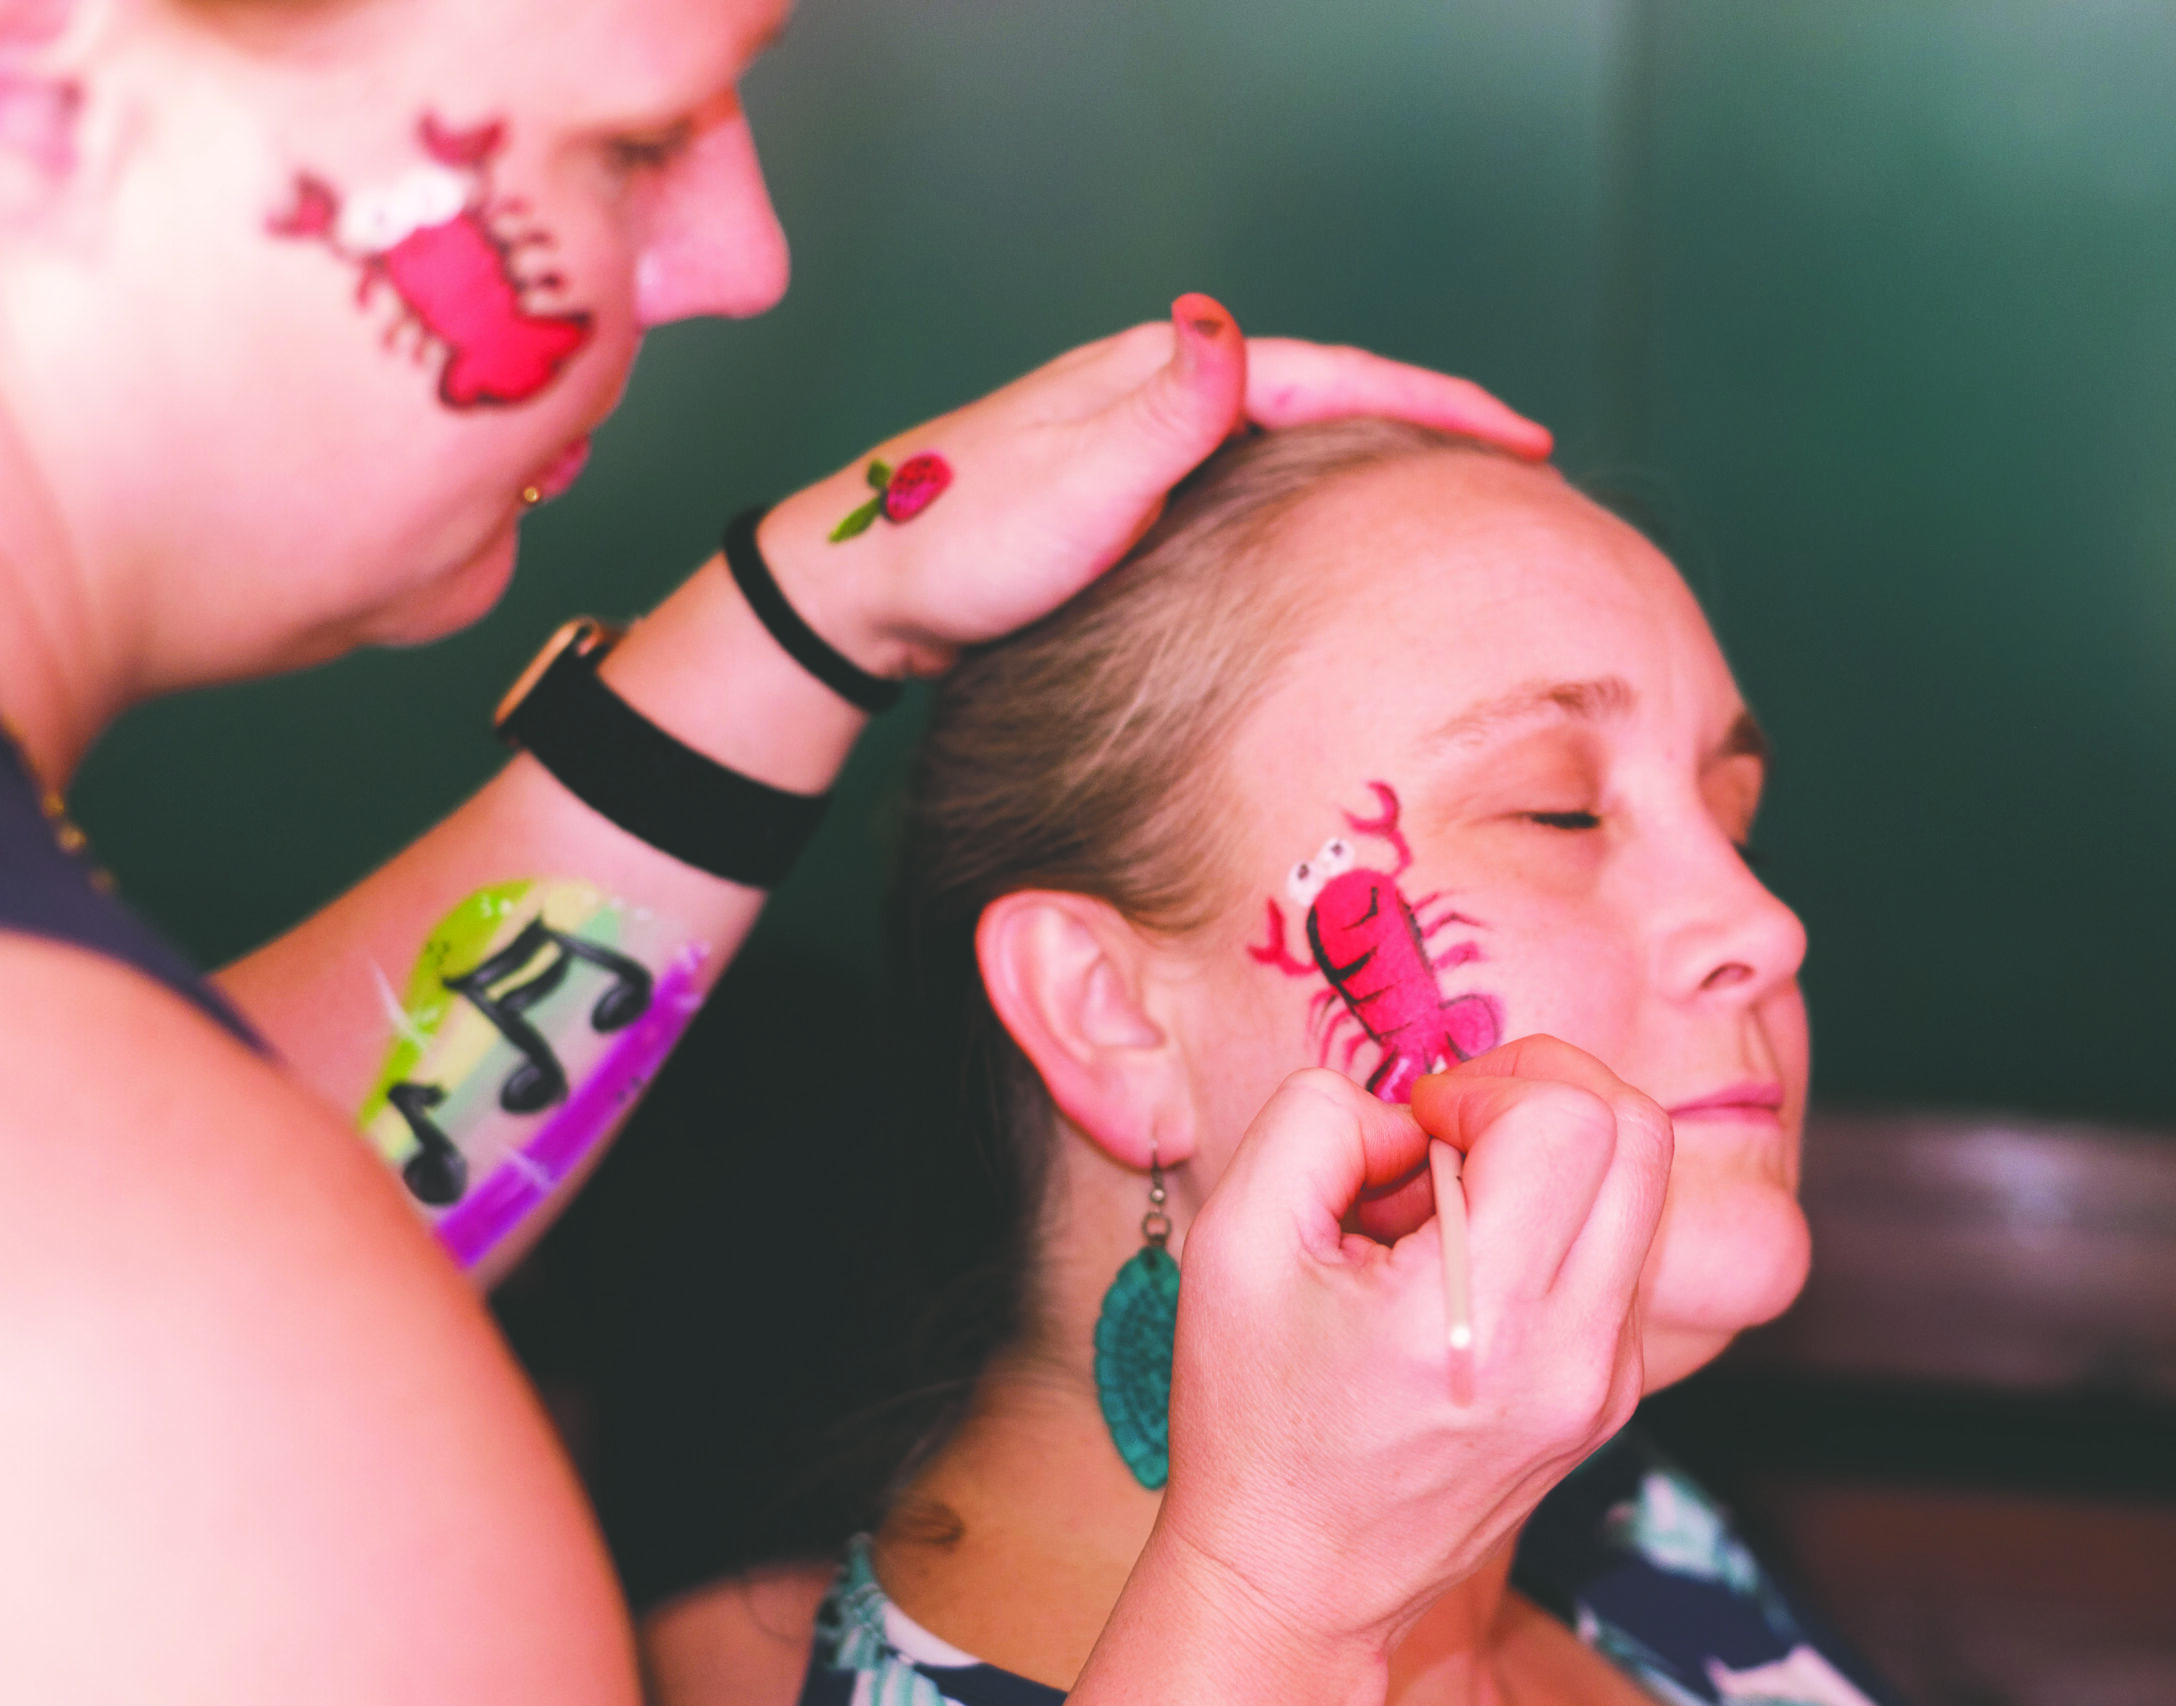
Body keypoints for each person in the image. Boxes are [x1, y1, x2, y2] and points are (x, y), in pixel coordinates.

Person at [0, 1, 1683, 1699]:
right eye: (638, 138)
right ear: (36, 79)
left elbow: (303, 1192)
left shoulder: (134, 1178)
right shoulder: (129, 1276)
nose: (745, 255)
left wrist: (814, 612)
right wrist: (1285, 1599)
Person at [642, 421, 1898, 1706]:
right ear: (1108, 1015)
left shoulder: (1607, 1522)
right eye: (1556, 810)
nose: (1764, 923)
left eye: (1734, 818)